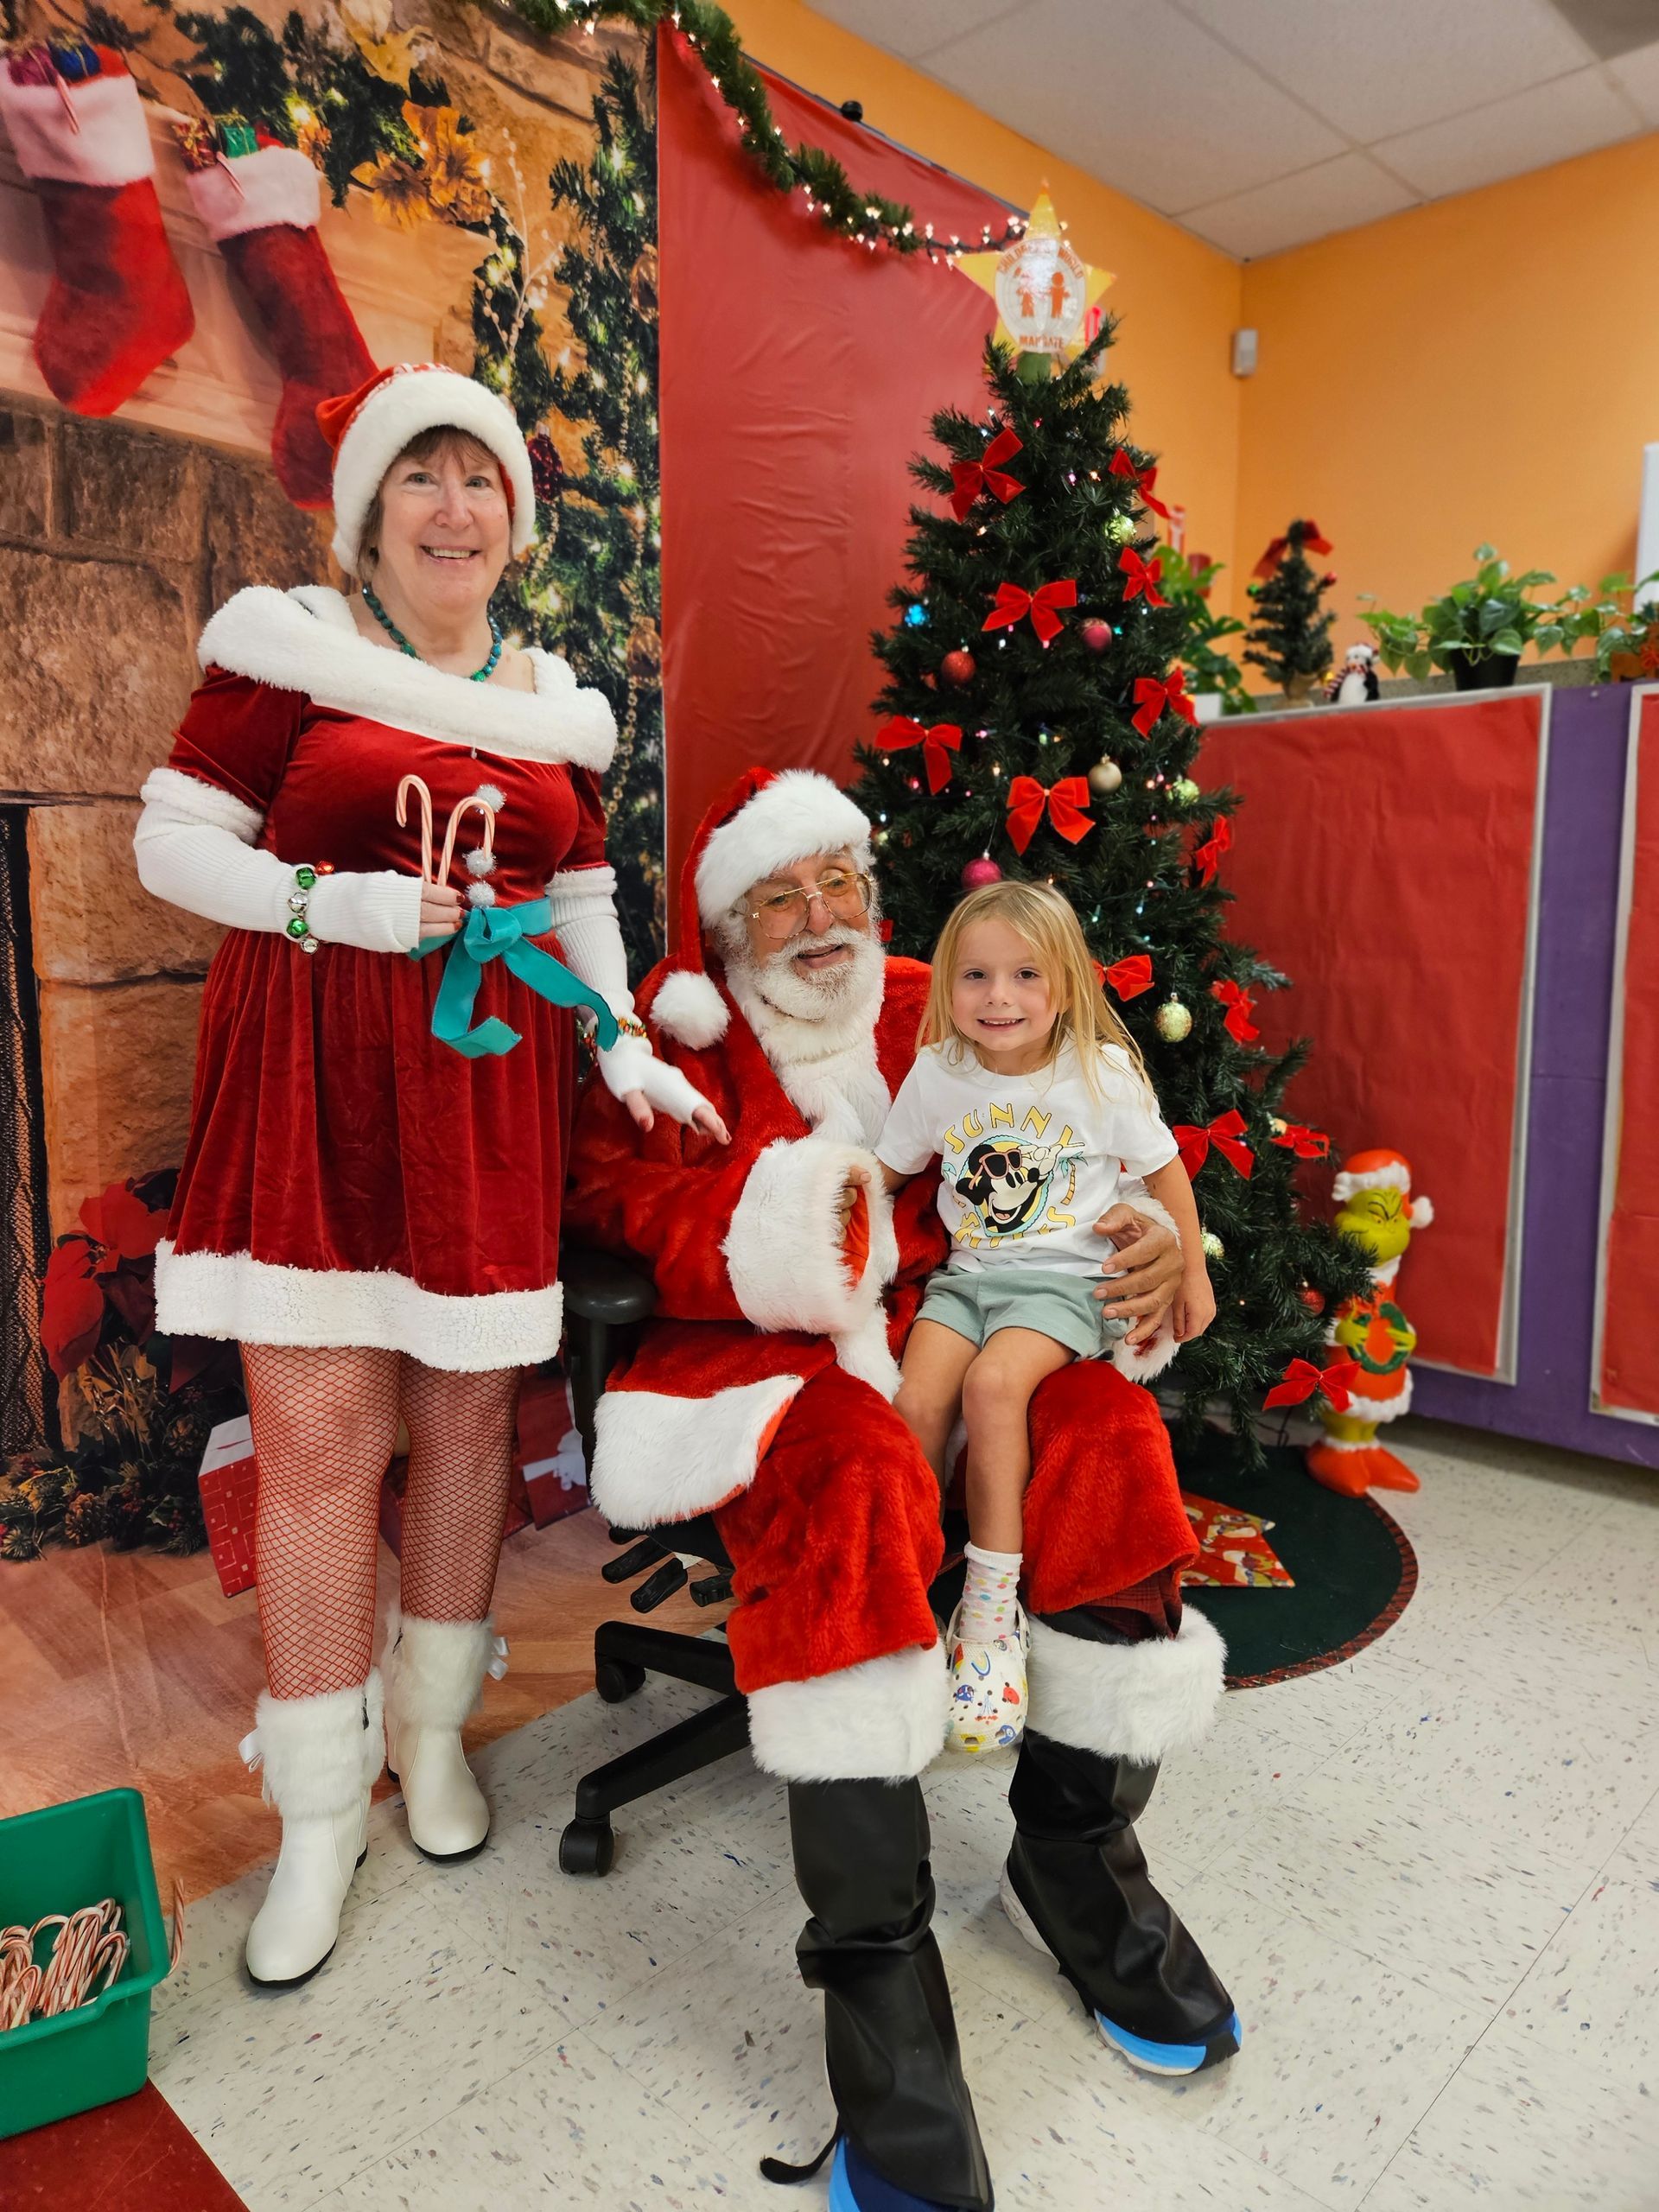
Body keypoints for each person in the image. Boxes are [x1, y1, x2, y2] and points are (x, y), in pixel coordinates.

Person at [565, 766, 1239, 2212]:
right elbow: (616, 1199)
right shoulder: (673, 1038)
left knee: (1112, 1439)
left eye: (838, 886)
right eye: (778, 896)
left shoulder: (945, 993)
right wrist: (794, 1224)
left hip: (981, 1311)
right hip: (765, 1353)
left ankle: (1078, 1863)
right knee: (860, 1480)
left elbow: (1068, 1127)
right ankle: (879, 1973)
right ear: (725, 920)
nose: (818, 920)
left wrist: (1147, 1237)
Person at [132, 362, 721, 1987]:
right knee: (323, 1441)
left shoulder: (552, 699)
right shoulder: (287, 653)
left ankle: (436, 1733)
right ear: (368, 516)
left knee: (464, 1427)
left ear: (512, 526)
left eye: (481, 484)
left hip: (481, 1106)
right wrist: (344, 907)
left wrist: (620, 1046)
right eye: (421, 479)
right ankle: (320, 1814)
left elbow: (583, 894)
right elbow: (170, 844)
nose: (454, 508)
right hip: (315, 1090)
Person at [877, 880, 1215, 1752]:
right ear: (949, 984)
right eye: (977, 975)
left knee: (994, 1387)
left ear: (1064, 984)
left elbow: (1167, 1170)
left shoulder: (1097, 1073)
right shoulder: (939, 1074)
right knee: (916, 1401)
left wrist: (1193, 1275)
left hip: (1067, 1285)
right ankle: (910, 1586)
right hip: (969, 1279)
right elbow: (887, 1167)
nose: (999, 997)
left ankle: (991, 1620)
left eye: (1026, 974)